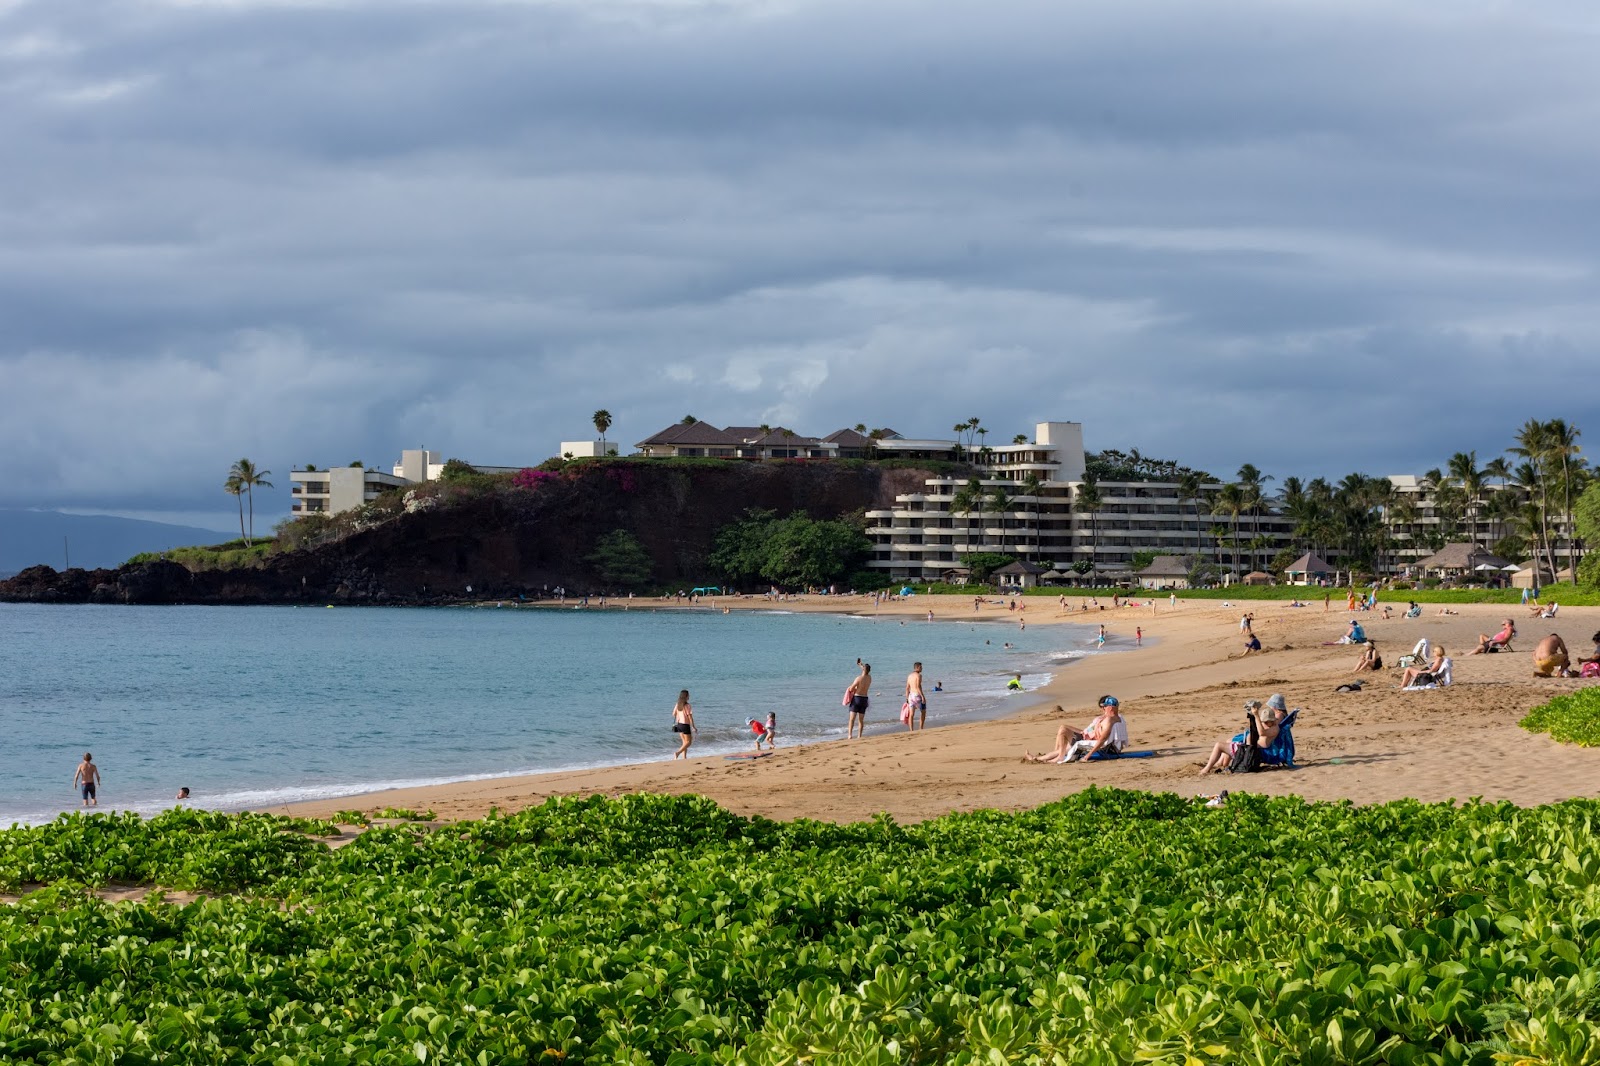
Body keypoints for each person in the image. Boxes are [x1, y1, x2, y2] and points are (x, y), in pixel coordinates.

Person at [1199, 696, 1284, 774]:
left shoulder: (1274, 729)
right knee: (1229, 742)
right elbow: (1257, 729)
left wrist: (1256, 716)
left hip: (1250, 752)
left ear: (1272, 721)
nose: (1263, 723)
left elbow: (1261, 732)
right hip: (1250, 749)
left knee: (1218, 745)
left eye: (1265, 722)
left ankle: (1206, 769)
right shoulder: (1270, 726)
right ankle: (1222, 764)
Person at [846, 662, 872, 738]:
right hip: (864, 699)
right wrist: (860, 665)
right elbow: (865, 671)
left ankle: (850, 735)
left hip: (857, 698)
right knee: (861, 720)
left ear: (863, 669)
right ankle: (859, 736)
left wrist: (853, 687)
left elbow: (851, 689)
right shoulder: (869, 678)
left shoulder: (858, 678)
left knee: (852, 719)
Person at [671, 690, 696, 758]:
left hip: (679, 725)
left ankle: (684, 757)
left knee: (684, 742)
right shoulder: (687, 705)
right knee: (688, 742)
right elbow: (690, 717)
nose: (689, 696)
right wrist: (693, 726)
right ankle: (677, 753)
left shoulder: (678, 704)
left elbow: (673, 714)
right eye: (688, 695)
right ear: (686, 696)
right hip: (685, 725)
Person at [904, 661, 927, 731]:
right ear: (917, 667)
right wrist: (923, 696)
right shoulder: (919, 676)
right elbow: (918, 687)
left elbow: (907, 688)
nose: (922, 668)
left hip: (911, 696)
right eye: (920, 667)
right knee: (923, 712)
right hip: (917, 696)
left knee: (911, 714)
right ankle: (921, 728)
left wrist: (907, 698)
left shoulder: (909, 676)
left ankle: (911, 730)